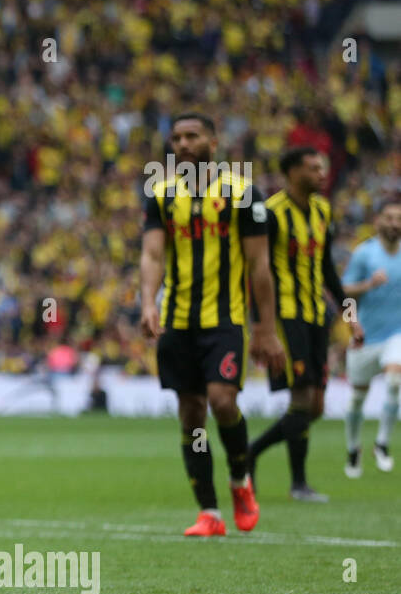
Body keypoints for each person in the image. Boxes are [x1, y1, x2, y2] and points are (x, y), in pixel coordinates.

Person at [139, 112, 285, 537]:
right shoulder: (161, 194)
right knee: (190, 416)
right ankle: (209, 513)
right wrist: (148, 302)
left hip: (224, 319)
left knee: (222, 402)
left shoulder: (243, 194)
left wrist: (265, 328)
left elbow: (260, 265)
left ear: (213, 142)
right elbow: (151, 255)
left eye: (192, 136)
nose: (183, 144)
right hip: (177, 320)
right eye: (176, 137)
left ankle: (240, 480)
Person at [247, 148, 360, 501]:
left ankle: (250, 453)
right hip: (285, 316)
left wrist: (350, 314)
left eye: (323, 167)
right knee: (303, 399)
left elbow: (328, 270)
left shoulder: (324, 211)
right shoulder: (271, 213)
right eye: (313, 168)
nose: (322, 173)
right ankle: (297, 483)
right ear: (292, 172)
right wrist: (260, 327)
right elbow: (257, 270)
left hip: (316, 317)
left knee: (315, 407)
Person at [341, 200, 401, 477]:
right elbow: (346, 293)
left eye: (398, 219)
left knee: (394, 381)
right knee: (356, 400)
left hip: (395, 335)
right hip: (366, 336)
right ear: (378, 221)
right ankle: (354, 449)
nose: (394, 223)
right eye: (389, 218)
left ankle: (382, 443)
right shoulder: (365, 254)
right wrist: (353, 323)